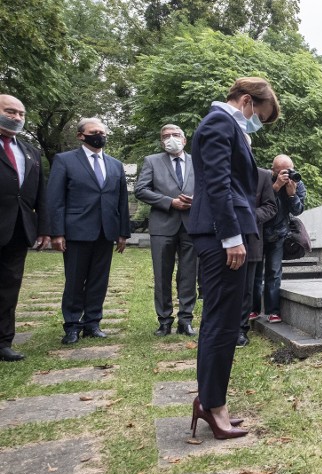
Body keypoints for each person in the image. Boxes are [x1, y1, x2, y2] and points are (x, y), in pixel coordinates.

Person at [188, 77, 280, 440]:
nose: (257, 121)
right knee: (221, 322)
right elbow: (219, 185)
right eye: (259, 113)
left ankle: (212, 400)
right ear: (246, 101)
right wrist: (231, 237)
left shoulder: (229, 127)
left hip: (224, 233)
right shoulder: (219, 123)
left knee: (225, 321)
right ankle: (212, 405)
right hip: (219, 235)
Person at [47, 118, 131, 345]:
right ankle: (72, 325)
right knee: (74, 280)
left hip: (106, 231)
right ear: (80, 136)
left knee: (99, 280)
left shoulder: (115, 164)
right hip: (76, 231)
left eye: (103, 132)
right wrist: (57, 232)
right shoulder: (64, 161)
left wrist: (123, 232)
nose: (100, 135)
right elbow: (55, 199)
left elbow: (121, 200)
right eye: (94, 132)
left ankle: (93, 322)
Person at [134, 125, 197, 337]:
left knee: (189, 274)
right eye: (166, 136)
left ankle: (186, 320)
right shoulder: (152, 161)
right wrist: (170, 202)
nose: (171, 139)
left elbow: (209, 188)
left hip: (191, 225)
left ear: (184, 139)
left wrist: (196, 201)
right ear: (161, 142)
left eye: (175, 135)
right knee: (162, 274)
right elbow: (141, 190)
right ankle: (164, 320)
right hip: (163, 225)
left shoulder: (198, 160)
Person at [0, 94, 49, 362]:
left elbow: (40, 193)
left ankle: (4, 341)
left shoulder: (30, 151)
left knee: (9, 285)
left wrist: (43, 227)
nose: (17, 117)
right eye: (10, 111)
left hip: (18, 228)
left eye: (21, 114)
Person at [252, 154, 306, 323]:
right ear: (273, 170)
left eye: (289, 169)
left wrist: (291, 195)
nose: (287, 173)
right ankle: (252, 309)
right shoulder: (264, 180)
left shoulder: (297, 182)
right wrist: (275, 188)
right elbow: (256, 205)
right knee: (255, 274)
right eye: (282, 170)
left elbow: (298, 210)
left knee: (274, 273)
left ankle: (273, 311)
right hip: (258, 233)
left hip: (279, 234)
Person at [239, 166, 277, 347]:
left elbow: (270, 207)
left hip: (250, 240)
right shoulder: (218, 170)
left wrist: (248, 216)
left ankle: (240, 329)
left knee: (246, 288)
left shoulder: (263, 176)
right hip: (218, 240)